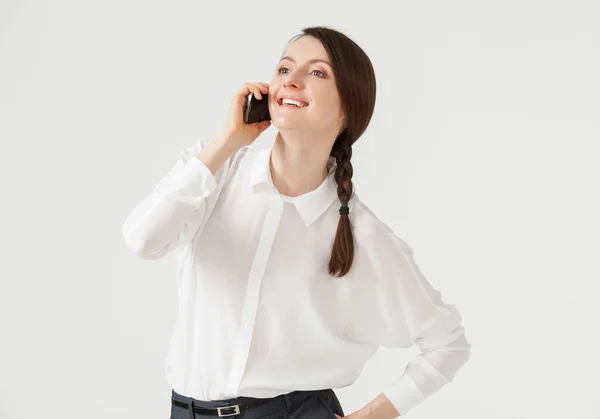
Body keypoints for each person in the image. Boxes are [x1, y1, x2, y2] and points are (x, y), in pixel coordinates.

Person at [122, 26, 470, 419]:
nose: (291, 79)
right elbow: (142, 241)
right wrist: (227, 141)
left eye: (317, 72)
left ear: (347, 109)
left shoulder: (361, 233)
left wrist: (371, 416)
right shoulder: (213, 170)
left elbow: (449, 344)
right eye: (285, 68)